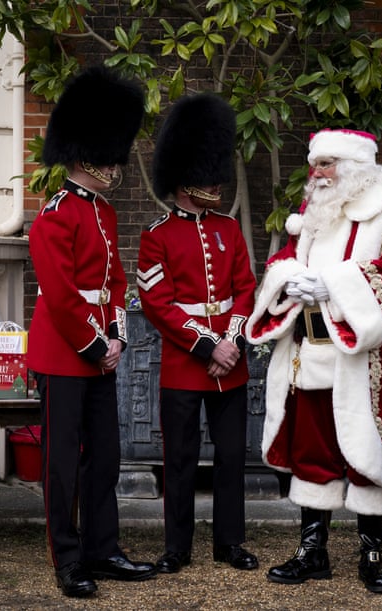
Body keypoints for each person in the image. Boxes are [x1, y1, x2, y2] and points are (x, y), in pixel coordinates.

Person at [246, 129, 382, 594]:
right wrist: (290, 279)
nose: (317, 174)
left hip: (365, 357)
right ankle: (313, 550)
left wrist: (336, 287)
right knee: (313, 449)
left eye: (327, 164)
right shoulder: (313, 211)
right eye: (315, 163)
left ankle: (371, 554)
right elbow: (287, 256)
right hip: (312, 352)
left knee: (366, 454)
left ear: (356, 167)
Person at [28, 65, 157, 598]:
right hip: (64, 354)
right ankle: (69, 559)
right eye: (107, 156)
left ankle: (104, 549)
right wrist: (98, 343)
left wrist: (119, 336)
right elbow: (59, 298)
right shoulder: (54, 215)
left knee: (105, 456)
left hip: (102, 349)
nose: (113, 166)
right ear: (84, 157)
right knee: (62, 465)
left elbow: (117, 280)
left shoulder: (102, 213)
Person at [137, 93, 258, 574]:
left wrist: (231, 342)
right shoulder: (157, 235)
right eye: (206, 175)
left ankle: (230, 542)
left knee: (232, 458)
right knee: (181, 459)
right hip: (185, 363)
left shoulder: (229, 229)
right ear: (185, 180)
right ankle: (177, 547)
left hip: (232, 362)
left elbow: (246, 289)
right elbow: (158, 304)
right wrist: (209, 344)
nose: (215, 182)